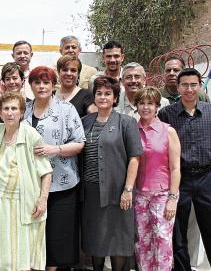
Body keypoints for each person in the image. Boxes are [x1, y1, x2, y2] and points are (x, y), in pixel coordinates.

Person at [24, 66, 86, 269]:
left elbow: (79, 143)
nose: (41, 86)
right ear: (30, 85)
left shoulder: (66, 109)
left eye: (46, 82)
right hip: (29, 185)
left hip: (61, 184)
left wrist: (55, 149)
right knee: (33, 234)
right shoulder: (23, 109)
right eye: (37, 82)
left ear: (53, 85)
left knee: (57, 237)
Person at [80, 76, 143, 271]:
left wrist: (128, 189)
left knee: (118, 239)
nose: (103, 97)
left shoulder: (127, 122)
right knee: (96, 238)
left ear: (115, 98)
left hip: (117, 191)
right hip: (91, 191)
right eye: (99, 93)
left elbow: (135, 157)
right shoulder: (85, 121)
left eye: (108, 93)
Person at [0, 91, 53, 271]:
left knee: (20, 253)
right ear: (0, 113)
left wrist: (43, 199)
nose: (10, 113)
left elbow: (46, 172)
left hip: (22, 202)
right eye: (6, 109)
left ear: (22, 112)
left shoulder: (31, 135)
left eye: (14, 109)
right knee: (1, 252)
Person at [158, 68, 211, 270]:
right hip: (179, 177)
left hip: (207, 176)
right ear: (178, 87)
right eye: (184, 85)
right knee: (177, 230)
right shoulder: (166, 114)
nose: (189, 89)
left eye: (193, 84)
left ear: (200, 86)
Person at [133, 87, 181, 270]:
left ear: (157, 106)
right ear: (136, 106)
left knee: (162, 243)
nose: (146, 107)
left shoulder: (168, 131)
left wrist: (172, 199)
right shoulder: (131, 129)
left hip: (162, 195)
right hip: (139, 195)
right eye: (142, 103)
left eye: (150, 103)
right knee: (143, 244)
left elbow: (176, 168)